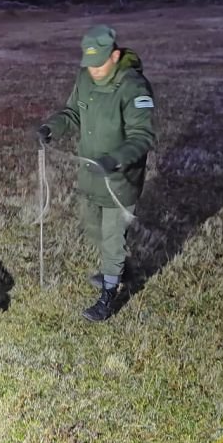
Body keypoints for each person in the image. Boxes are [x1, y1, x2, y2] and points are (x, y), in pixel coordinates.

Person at [38, 25, 156, 322]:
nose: (94, 71)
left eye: (99, 64)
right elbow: (72, 112)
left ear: (114, 56)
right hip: (90, 174)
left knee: (113, 236)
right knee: (92, 226)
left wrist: (115, 160)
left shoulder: (134, 87)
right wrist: (51, 128)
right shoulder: (85, 78)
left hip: (119, 179)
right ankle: (119, 267)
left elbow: (143, 137)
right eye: (89, 65)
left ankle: (108, 296)